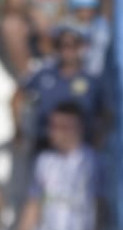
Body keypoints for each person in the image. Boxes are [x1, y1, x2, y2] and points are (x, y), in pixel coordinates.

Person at [2, 102, 98, 230]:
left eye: (59, 127)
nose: (52, 132)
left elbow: (97, 209)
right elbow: (33, 205)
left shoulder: (91, 162)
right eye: (51, 126)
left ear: (74, 129)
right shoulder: (45, 161)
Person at [13, 21, 106, 149]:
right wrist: (19, 130)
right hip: (45, 147)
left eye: (73, 44)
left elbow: (104, 115)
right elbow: (18, 96)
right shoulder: (43, 74)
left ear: (82, 46)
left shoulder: (92, 81)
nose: (66, 50)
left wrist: (96, 144)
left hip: (81, 152)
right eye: (61, 45)